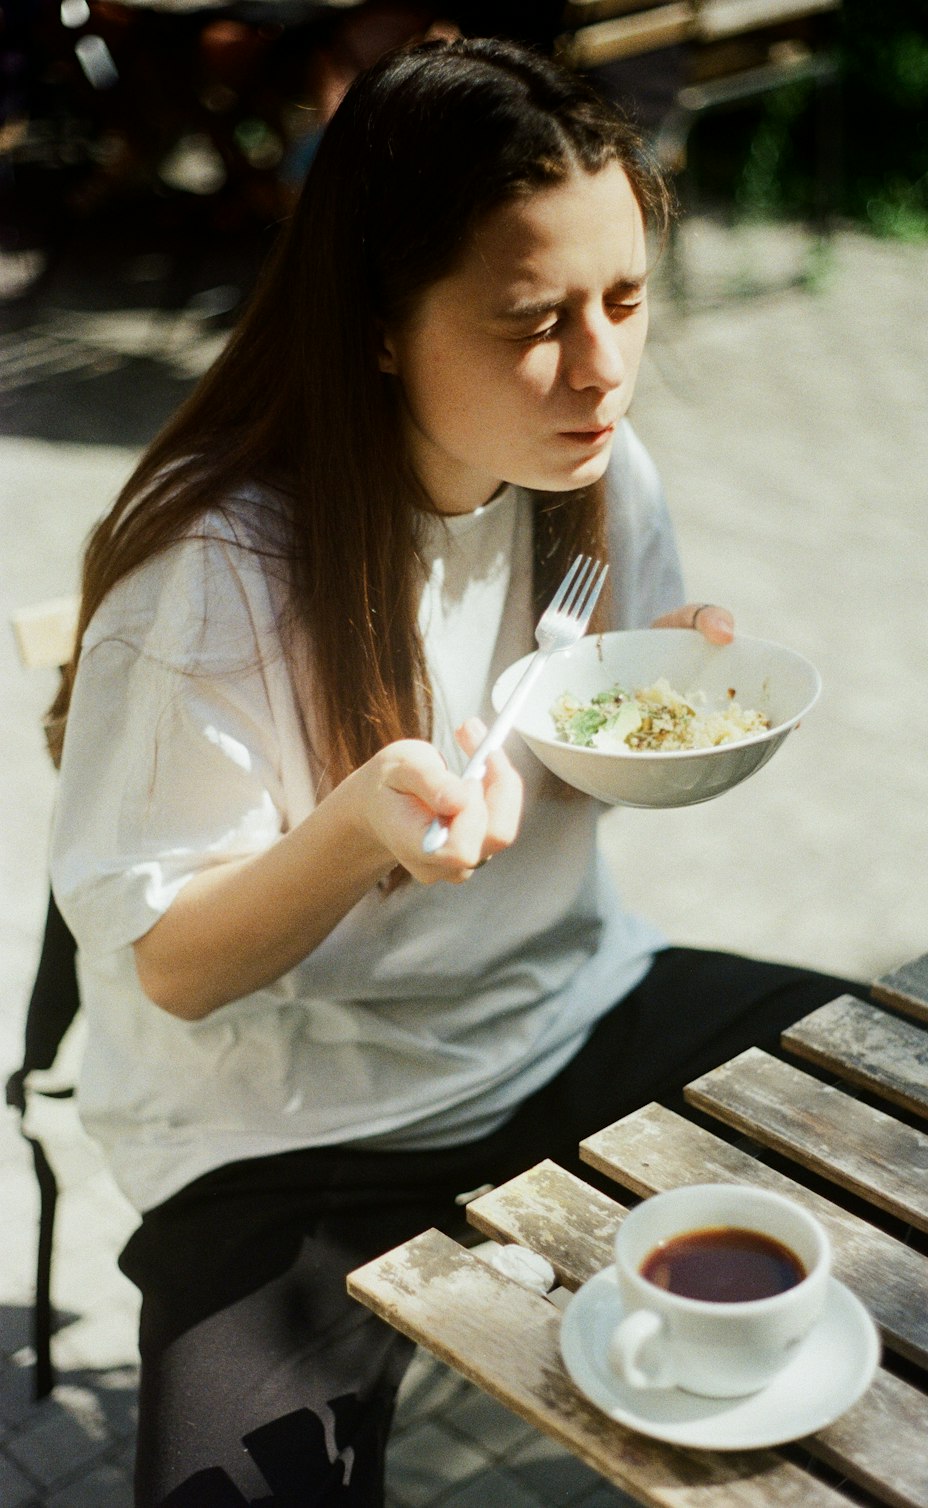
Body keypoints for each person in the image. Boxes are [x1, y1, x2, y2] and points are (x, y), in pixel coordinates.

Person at [49, 37, 863, 1507]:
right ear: (377, 323)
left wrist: (654, 705)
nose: (605, 367)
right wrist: (358, 830)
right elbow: (170, 965)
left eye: (622, 299)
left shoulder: (600, 475)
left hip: (566, 1017)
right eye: (532, 319)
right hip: (286, 1129)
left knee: (912, 1122)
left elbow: (584, 758)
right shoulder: (213, 577)